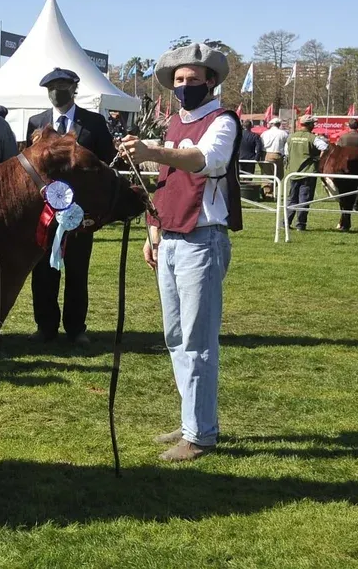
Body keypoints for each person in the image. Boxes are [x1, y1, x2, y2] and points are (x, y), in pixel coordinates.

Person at [120, 42, 241, 462]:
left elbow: (205, 160)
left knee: (197, 341)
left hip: (202, 239)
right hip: (171, 237)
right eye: (179, 80)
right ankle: (193, 418)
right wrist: (153, 231)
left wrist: (152, 150)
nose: (184, 86)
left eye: (192, 79)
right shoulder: (175, 122)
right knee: (176, 338)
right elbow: (167, 183)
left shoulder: (222, 121)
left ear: (211, 81)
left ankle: (200, 433)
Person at [24, 68, 116, 345]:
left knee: (77, 271)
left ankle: (76, 328)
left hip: (80, 213)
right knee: (43, 272)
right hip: (46, 213)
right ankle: (45, 326)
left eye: (63, 86)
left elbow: (107, 163)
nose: (57, 92)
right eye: (52, 87)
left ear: (74, 88)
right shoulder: (36, 122)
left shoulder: (94, 123)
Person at [284, 115, 328, 231]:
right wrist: (319, 158)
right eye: (313, 123)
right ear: (309, 125)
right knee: (304, 199)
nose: (314, 125)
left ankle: (286, 222)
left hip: (292, 173)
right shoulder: (312, 138)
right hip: (308, 173)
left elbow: (286, 153)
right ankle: (301, 224)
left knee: (291, 199)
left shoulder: (290, 137)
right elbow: (325, 147)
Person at [260, 117, 287, 194]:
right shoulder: (283, 133)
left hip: (265, 154)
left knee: (266, 174)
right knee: (279, 175)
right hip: (277, 155)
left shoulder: (264, 133)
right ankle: (269, 190)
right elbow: (286, 146)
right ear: (279, 124)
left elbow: (261, 144)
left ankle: (267, 191)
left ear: (272, 124)